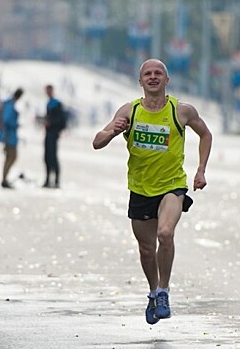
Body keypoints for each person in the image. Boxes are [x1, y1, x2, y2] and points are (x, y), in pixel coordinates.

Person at [92, 59, 212, 325]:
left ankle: (164, 292)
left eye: (159, 73)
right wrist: (113, 131)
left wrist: (201, 170)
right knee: (147, 250)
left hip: (172, 185)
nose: (153, 77)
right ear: (141, 81)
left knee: (165, 233)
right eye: (148, 74)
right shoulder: (129, 111)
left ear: (167, 80)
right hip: (140, 189)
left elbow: (206, 135)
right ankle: (152, 291)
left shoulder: (181, 111)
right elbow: (96, 142)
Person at [0, 88, 23, 189]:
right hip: (9, 135)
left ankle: (4, 178)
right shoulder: (10, 105)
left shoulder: (9, 103)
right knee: (11, 157)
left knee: (10, 157)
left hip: (10, 135)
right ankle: (4, 179)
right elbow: (6, 120)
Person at [42, 84, 65, 189]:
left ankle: (56, 180)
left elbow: (62, 121)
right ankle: (47, 179)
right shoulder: (49, 104)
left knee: (53, 157)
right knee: (46, 157)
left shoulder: (57, 104)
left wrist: (51, 124)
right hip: (48, 133)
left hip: (53, 133)